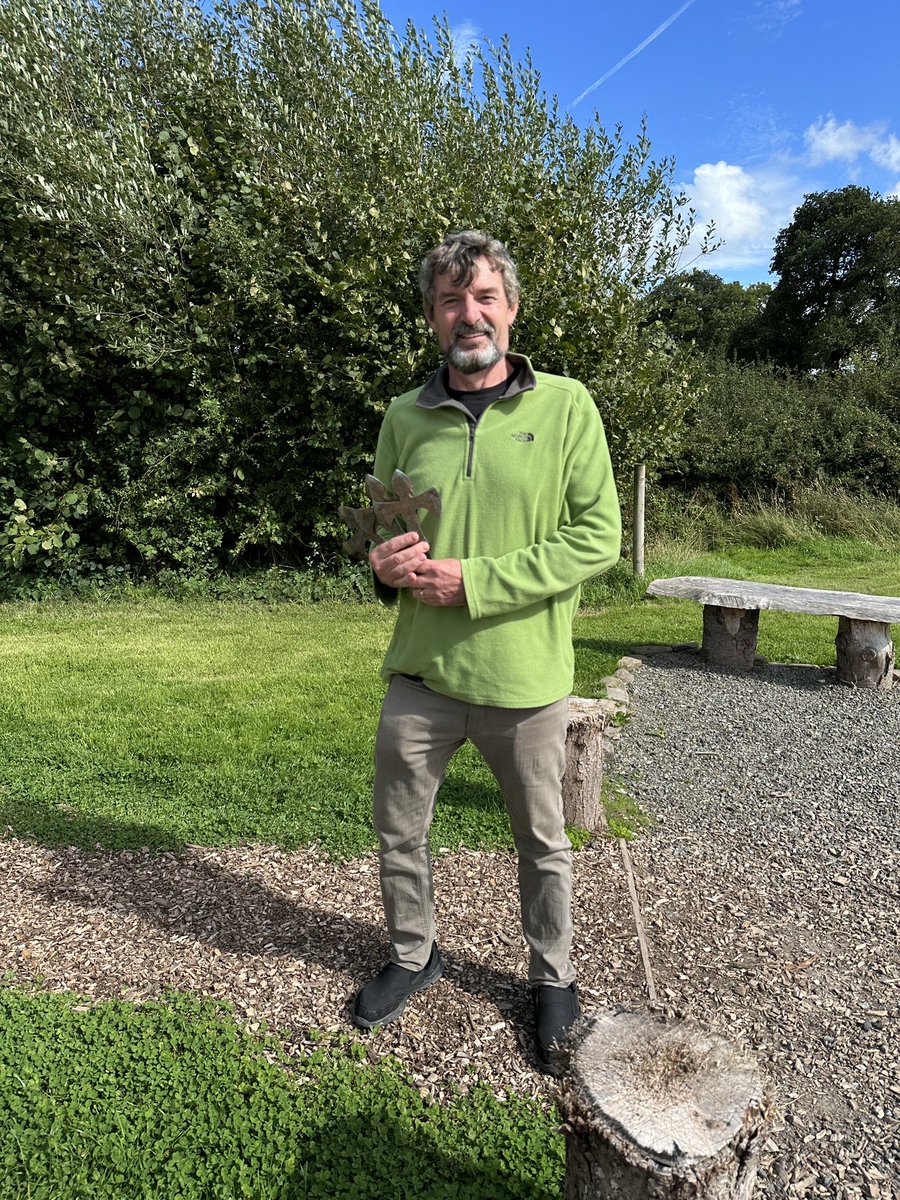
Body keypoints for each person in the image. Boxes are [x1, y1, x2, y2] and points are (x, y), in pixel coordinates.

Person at [350, 230, 621, 1074]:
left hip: (525, 678)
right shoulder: (404, 415)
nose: (469, 314)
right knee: (399, 831)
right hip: (421, 674)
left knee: (542, 843)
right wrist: (384, 568)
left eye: (484, 297)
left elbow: (598, 537)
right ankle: (412, 954)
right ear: (433, 318)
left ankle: (553, 976)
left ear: (511, 309)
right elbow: (387, 535)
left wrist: (478, 582)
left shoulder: (567, 406)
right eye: (450, 300)